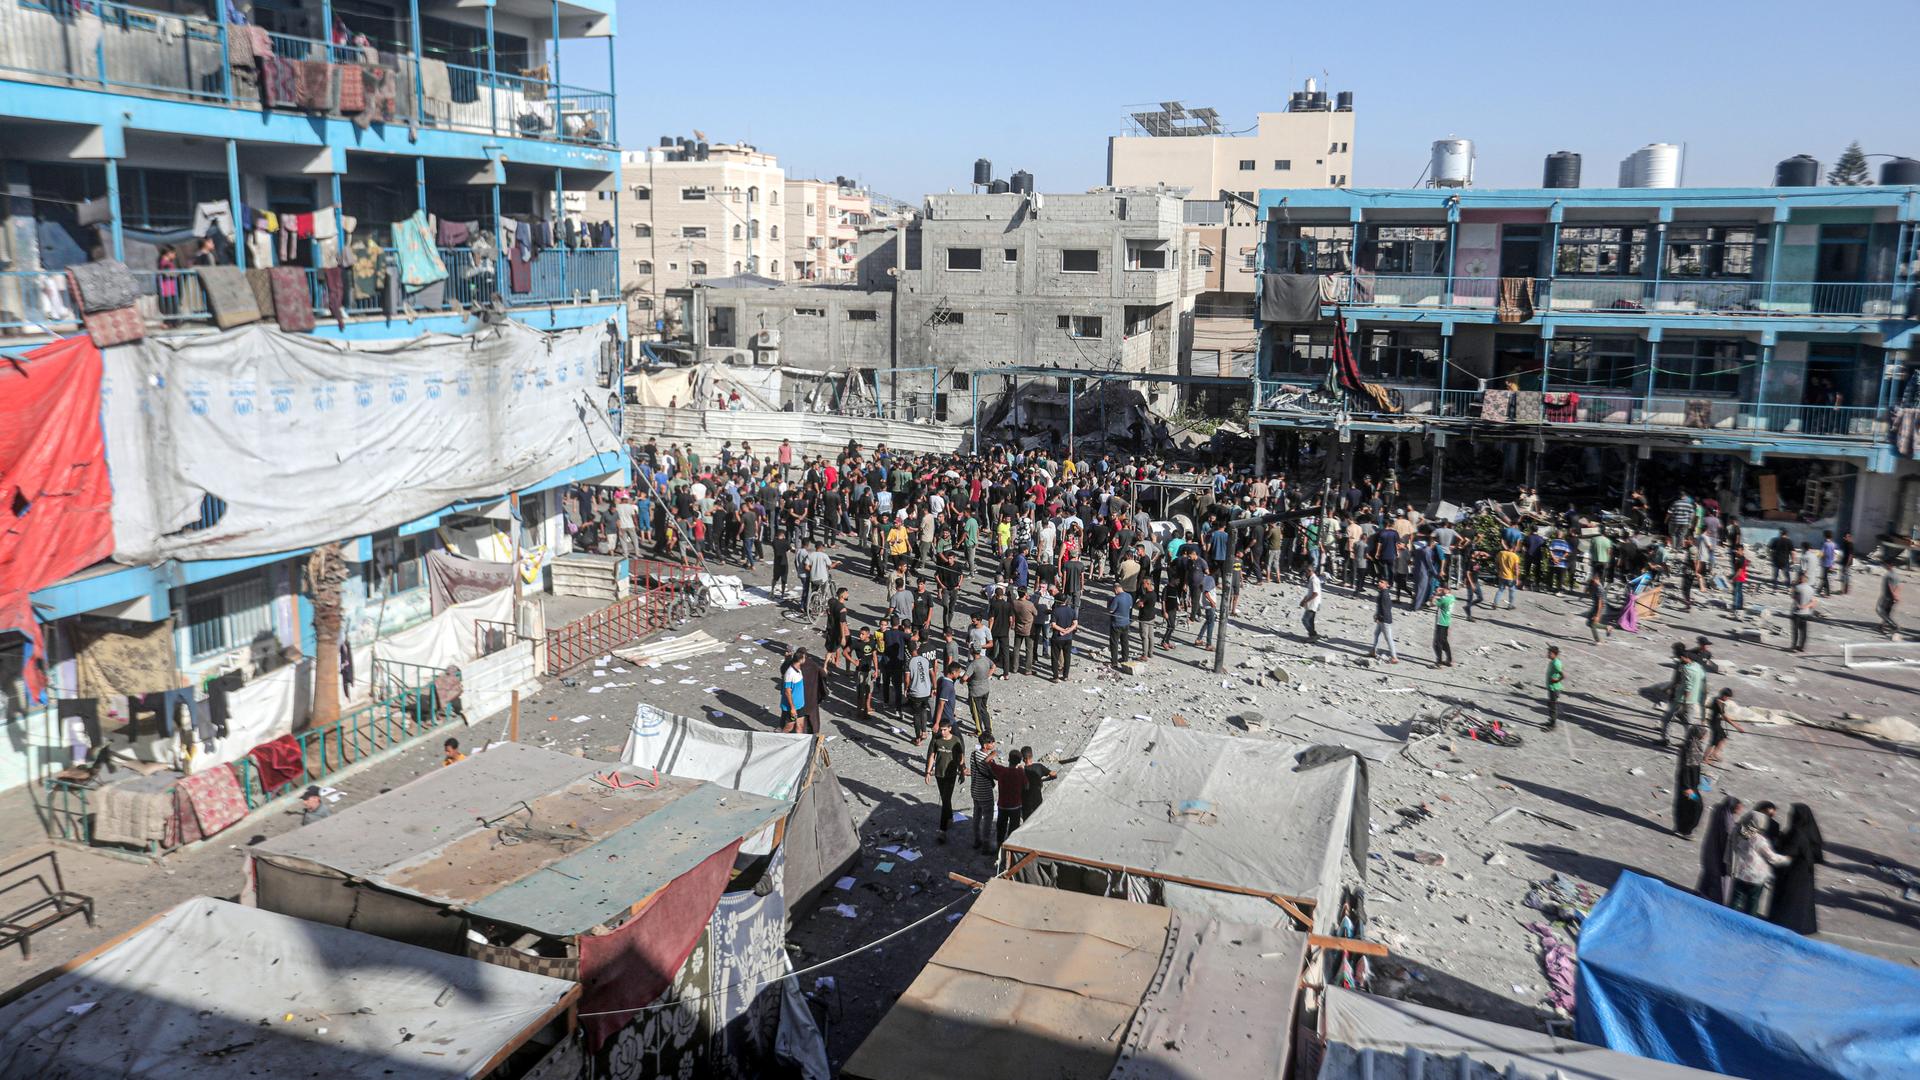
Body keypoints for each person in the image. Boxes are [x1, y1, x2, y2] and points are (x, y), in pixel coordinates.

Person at [1768, 804, 1824, 935]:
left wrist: (1776, 845)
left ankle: (1786, 924)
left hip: (1794, 874)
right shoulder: (1807, 832)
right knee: (1802, 902)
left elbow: (1789, 851)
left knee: (1790, 901)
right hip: (1804, 873)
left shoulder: (1797, 833)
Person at [1728, 808, 1791, 915]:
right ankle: (1749, 924)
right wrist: (1786, 859)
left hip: (1740, 872)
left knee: (1735, 900)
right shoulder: (1759, 840)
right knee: (1752, 902)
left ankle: (1728, 919)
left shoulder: (1740, 834)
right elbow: (1772, 857)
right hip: (1756, 877)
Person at [1695, 795, 1743, 904]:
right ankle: (1713, 899)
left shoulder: (1719, 812)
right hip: (1719, 853)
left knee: (1708, 873)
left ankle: (1702, 892)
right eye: (1739, 808)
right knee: (1717, 878)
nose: (1740, 810)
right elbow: (1729, 837)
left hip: (1710, 849)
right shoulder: (1727, 822)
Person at [1673, 720, 1709, 837]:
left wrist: (1701, 782)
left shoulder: (1696, 745)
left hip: (1693, 784)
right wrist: (1687, 787)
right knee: (1694, 805)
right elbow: (1685, 769)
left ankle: (1684, 829)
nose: (1705, 736)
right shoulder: (1690, 748)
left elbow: (1696, 766)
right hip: (1687, 785)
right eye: (1703, 734)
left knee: (1692, 806)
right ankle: (1683, 830)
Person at [988, 743, 1027, 850]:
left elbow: (987, 762)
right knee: (1013, 827)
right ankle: (1010, 848)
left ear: (1009, 759)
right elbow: (1026, 786)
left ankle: (999, 846)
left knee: (1001, 827)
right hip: (1015, 806)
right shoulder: (1020, 773)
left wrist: (993, 754)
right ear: (1019, 761)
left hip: (1003, 805)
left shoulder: (1002, 771)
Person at [968, 737, 999, 853]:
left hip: (975, 790)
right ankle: (986, 845)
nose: (993, 744)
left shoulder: (974, 754)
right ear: (986, 745)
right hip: (985, 792)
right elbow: (994, 774)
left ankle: (977, 840)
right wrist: (993, 756)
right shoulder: (988, 759)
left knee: (976, 816)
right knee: (987, 819)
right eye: (991, 743)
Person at [965, 649, 998, 740]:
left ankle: (979, 731)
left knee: (976, 712)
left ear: (972, 652)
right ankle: (988, 729)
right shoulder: (985, 659)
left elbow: (964, 677)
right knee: (984, 709)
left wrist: (962, 680)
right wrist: (987, 676)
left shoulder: (973, 664)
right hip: (985, 689)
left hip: (975, 692)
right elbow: (994, 666)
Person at [908, 647, 937, 744]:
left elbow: (907, 679)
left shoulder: (909, 662)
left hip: (916, 692)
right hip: (926, 691)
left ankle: (917, 739)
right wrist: (934, 687)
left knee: (916, 715)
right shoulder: (926, 660)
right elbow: (932, 674)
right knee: (924, 710)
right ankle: (924, 732)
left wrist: (906, 688)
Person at [1020, 747, 1056, 822]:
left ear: (1023, 759)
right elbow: (1053, 774)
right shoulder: (1039, 767)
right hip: (1037, 799)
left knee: (1026, 823)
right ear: (1032, 756)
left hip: (1025, 802)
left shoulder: (1020, 770)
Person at [1049, 593, 1079, 680]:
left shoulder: (1055, 611)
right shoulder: (1072, 610)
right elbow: (1075, 624)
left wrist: (1062, 630)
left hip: (1057, 637)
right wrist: (1067, 631)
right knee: (1067, 657)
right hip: (1068, 638)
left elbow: (1053, 625)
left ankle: (1055, 677)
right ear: (1066, 601)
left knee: (1055, 657)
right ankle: (1065, 676)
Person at [1368, 578, 1399, 663]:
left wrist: (1379, 618)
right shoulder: (1383, 593)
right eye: (1379, 581)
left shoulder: (1384, 594)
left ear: (1387, 585)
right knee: (1376, 634)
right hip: (1382, 619)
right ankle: (1373, 651)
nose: (1379, 583)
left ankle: (1394, 657)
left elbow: (1385, 609)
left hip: (1384, 620)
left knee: (1388, 638)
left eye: (1382, 582)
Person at [779, 649, 808, 734]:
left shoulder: (798, 669)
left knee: (800, 726)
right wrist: (792, 708)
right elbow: (787, 692)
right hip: (792, 708)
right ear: (801, 659)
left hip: (800, 705)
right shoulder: (790, 673)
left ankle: (799, 746)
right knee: (789, 727)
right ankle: (781, 741)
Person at [1789, 572, 1816, 652]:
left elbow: (1793, 597)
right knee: (1803, 631)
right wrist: (1806, 607)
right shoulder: (1811, 589)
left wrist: (1800, 606)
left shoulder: (1797, 587)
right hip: (1806, 613)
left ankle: (1794, 646)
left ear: (1800, 580)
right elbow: (1813, 602)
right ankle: (1802, 647)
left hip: (1797, 613)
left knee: (1795, 630)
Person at [1107, 585, 1133, 666]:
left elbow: (1111, 610)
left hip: (1116, 624)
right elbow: (1130, 606)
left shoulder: (1117, 598)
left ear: (1116, 589)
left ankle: (1114, 662)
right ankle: (1125, 658)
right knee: (1125, 642)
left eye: (1114, 591)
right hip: (1126, 622)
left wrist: (1109, 603)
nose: (1114, 593)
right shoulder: (1129, 596)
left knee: (1114, 643)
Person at [1432, 584, 1455, 667]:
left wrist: (1436, 594)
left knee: (1437, 643)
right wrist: (1440, 594)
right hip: (1447, 622)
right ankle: (1449, 660)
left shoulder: (1444, 599)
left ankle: (1439, 662)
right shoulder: (1452, 597)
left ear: (1447, 590)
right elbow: (1443, 598)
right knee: (1444, 641)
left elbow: (1432, 603)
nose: (1442, 590)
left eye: (1444, 589)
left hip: (1441, 622)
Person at [1493, 542, 1520, 609]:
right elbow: (1516, 568)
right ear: (1513, 548)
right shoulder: (1515, 556)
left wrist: (1498, 571)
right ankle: (1510, 605)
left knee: (1500, 590)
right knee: (1512, 591)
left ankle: (1495, 603)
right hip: (1510, 577)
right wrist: (1517, 578)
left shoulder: (1501, 553)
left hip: (1501, 575)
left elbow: (1496, 563)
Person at [1879, 558, 1903, 635]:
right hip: (1892, 597)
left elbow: (1891, 587)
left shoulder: (1889, 575)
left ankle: (1894, 625)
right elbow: (1898, 586)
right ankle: (1882, 627)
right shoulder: (1896, 575)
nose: (1884, 566)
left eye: (1885, 564)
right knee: (1887, 613)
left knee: (1880, 610)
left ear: (1889, 565)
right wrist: (1897, 596)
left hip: (1887, 597)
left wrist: (1894, 596)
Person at [1300, 566, 1323, 642]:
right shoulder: (1312, 579)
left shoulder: (1314, 580)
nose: (1305, 574)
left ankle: (1313, 635)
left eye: (1306, 572)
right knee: (1310, 620)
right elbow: (1310, 592)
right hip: (1313, 602)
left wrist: (1306, 601)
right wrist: (1304, 599)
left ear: (1310, 571)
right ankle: (1312, 635)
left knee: (1305, 620)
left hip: (1313, 603)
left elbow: (1315, 593)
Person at [1544, 644, 1564, 730]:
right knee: (1550, 705)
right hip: (1551, 687)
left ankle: (1553, 724)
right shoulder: (1552, 661)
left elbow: (1562, 675)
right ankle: (1551, 721)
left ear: (1555, 654)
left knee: (1553, 707)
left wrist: (1556, 680)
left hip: (1554, 688)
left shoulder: (1556, 663)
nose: (1548, 654)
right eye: (1548, 652)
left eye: (1550, 653)